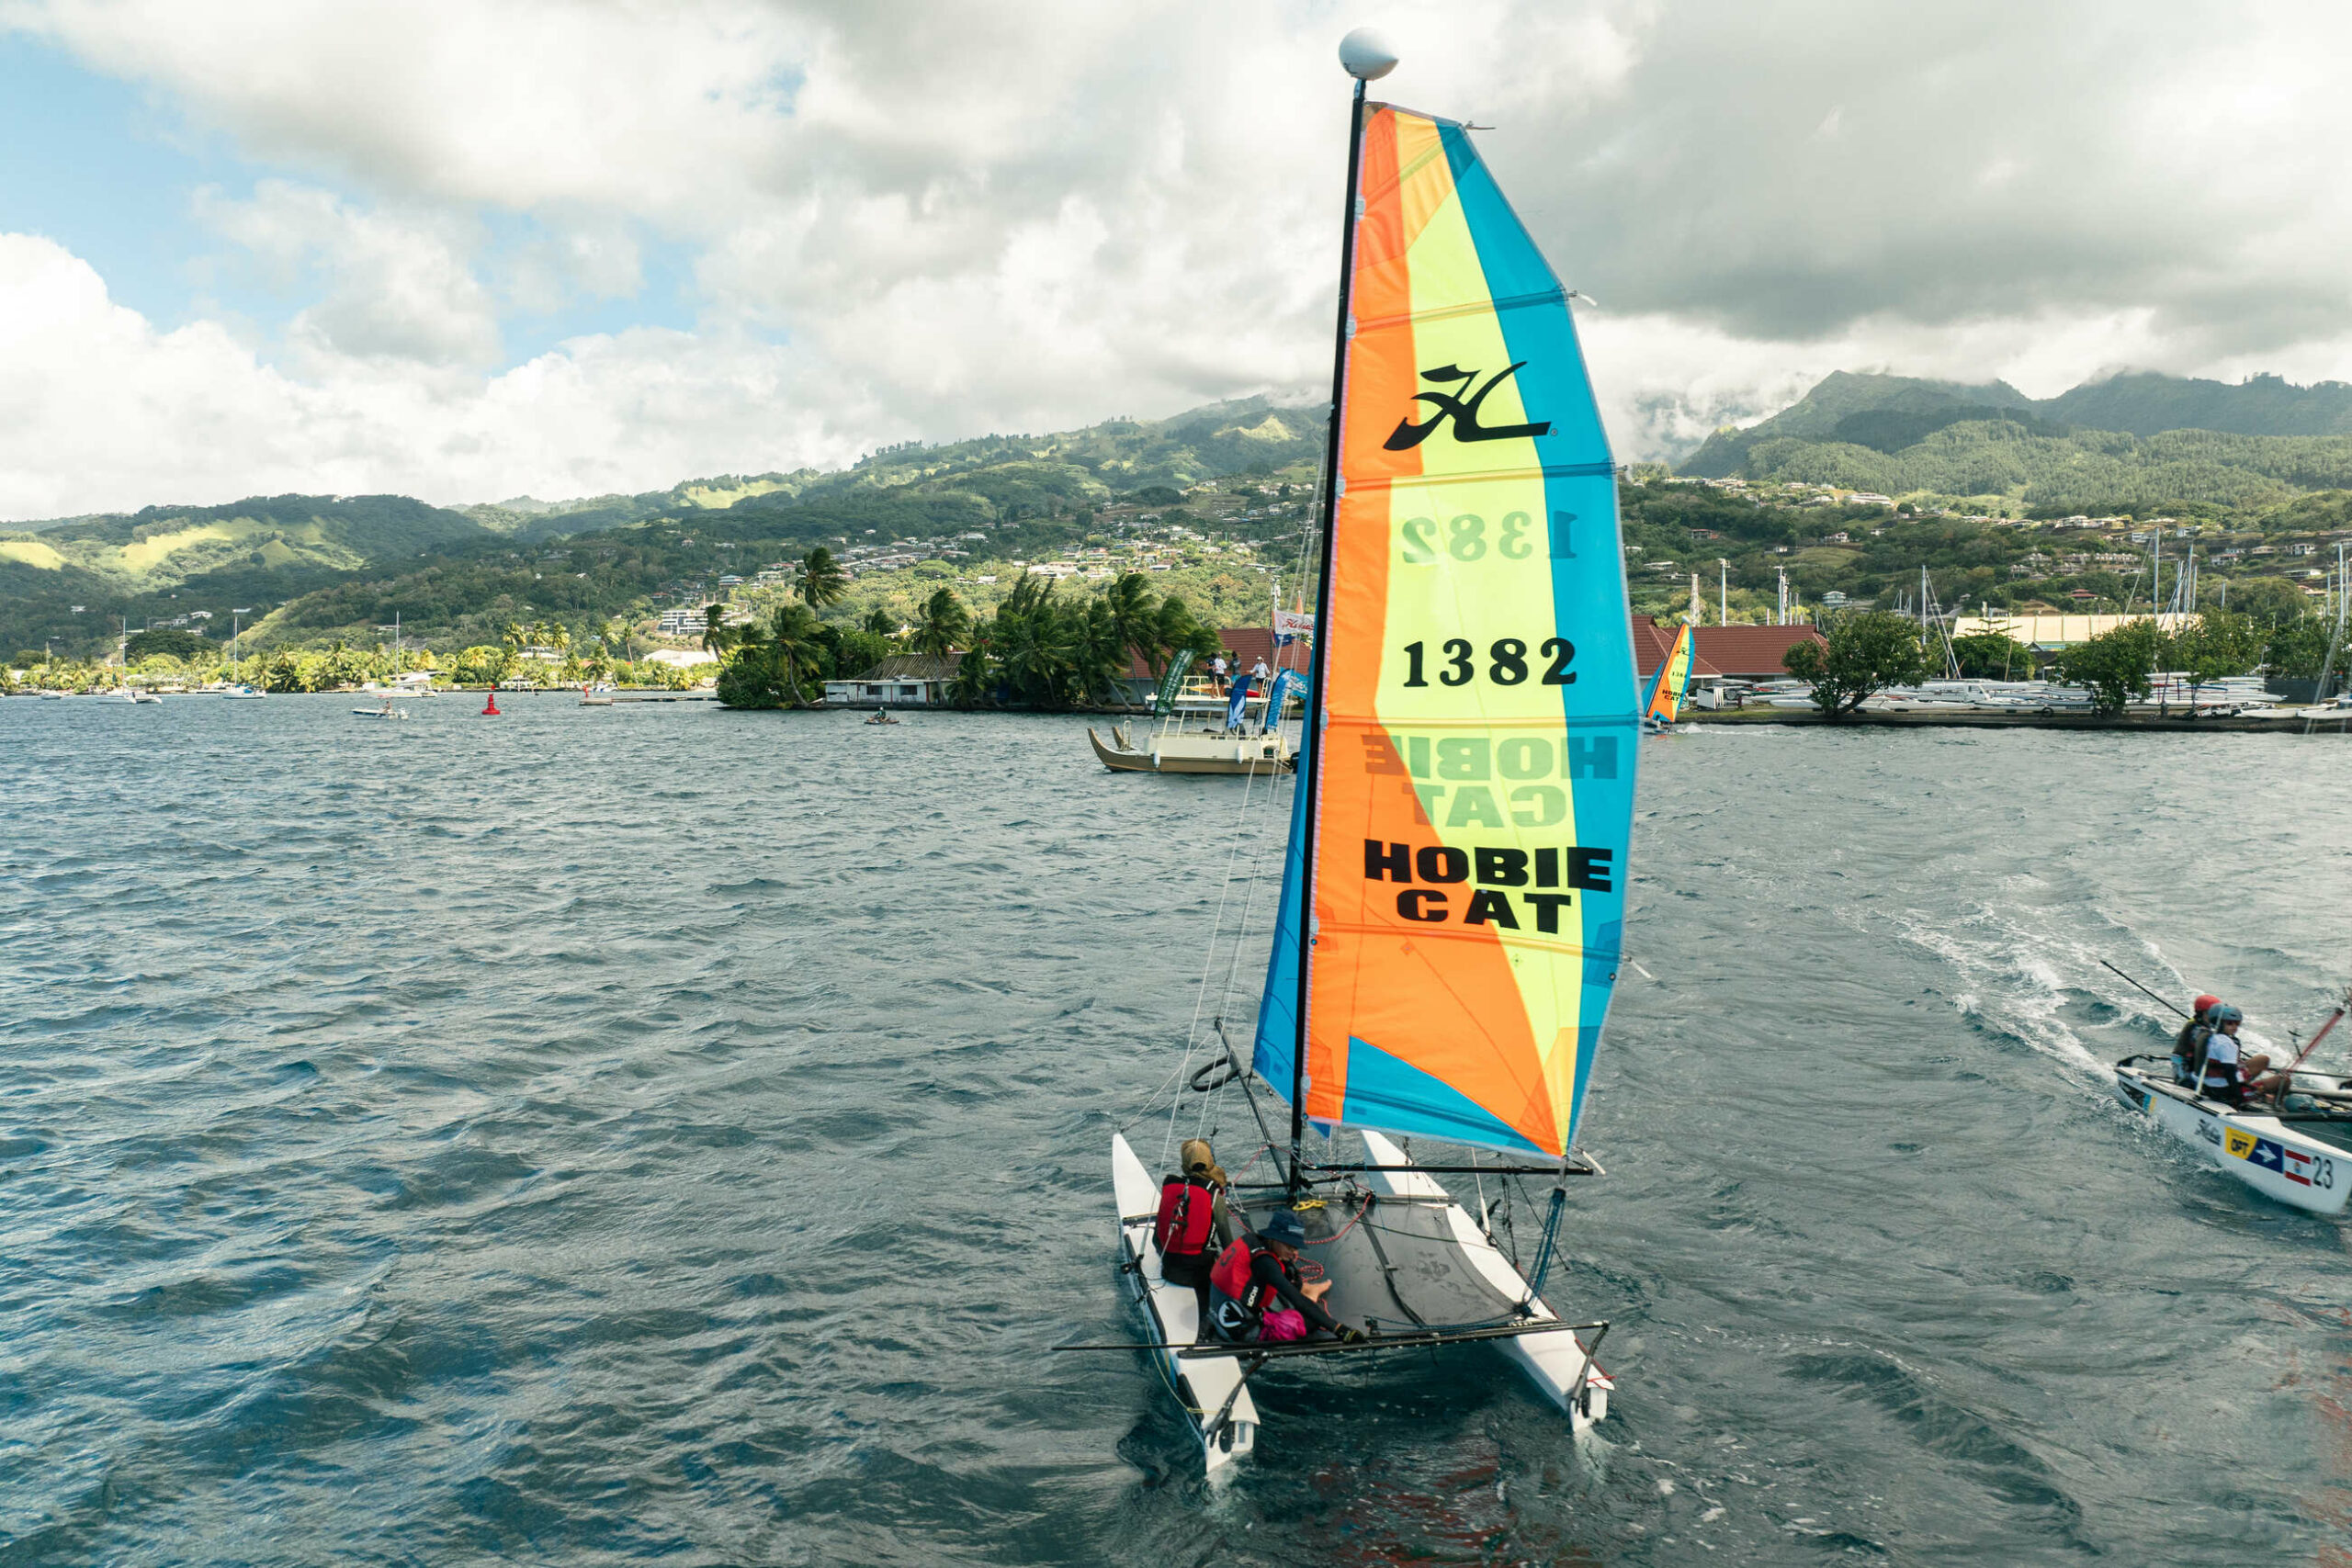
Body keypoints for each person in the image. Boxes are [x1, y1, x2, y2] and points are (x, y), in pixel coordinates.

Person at [1206, 1208, 1365, 1344]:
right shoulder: (1266, 1264)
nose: (1294, 1253)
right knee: (1311, 1318)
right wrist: (1340, 1329)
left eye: (1296, 1247)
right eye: (1289, 1246)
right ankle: (1311, 1294)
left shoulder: (1253, 1240)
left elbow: (1275, 1262)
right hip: (1242, 1333)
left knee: (1285, 1267)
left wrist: (1287, 1264)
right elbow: (1297, 1300)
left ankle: (1307, 1289)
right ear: (1274, 1238)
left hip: (1216, 1311)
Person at [1154, 1138, 1231, 1320]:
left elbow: (1156, 1240)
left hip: (1169, 1269)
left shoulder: (1170, 1186)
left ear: (1185, 1164)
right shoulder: (1215, 1195)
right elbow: (1228, 1244)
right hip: (1201, 1275)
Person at [2199, 1004, 2278, 1106]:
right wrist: (2237, 1097)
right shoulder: (2226, 1044)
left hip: (2210, 1086)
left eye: (2237, 1023)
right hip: (2224, 1092)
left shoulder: (2211, 1037)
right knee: (2282, 1081)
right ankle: (2277, 1105)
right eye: (2230, 1023)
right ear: (2220, 1023)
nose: (2234, 1027)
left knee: (2263, 1060)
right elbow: (2229, 1073)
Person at [2173, 994, 2221, 1087]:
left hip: (2193, 1068)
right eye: (2209, 1013)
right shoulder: (2196, 1030)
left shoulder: (2202, 1025)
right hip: (2185, 1072)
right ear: (2201, 1013)